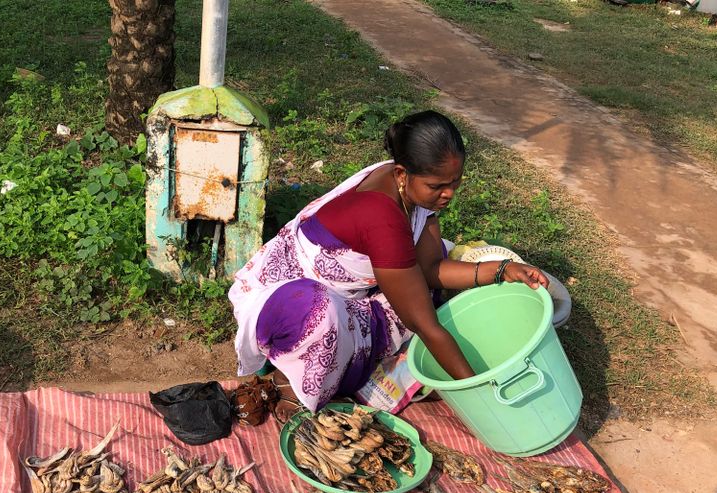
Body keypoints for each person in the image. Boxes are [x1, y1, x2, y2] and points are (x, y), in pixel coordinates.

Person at [229, 110, 548, 420]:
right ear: (401, 174)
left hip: (351, 291)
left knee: (439, 293)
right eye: (437, 186)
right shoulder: (382, 218)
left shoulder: (410, 188)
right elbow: (427, 325)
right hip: (285, 302)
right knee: (325, 316)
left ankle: (357, 359)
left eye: (455, 181)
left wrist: (501, 270)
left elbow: (429, 269)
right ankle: (290, 382)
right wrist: (480, 389)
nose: (448, 194)